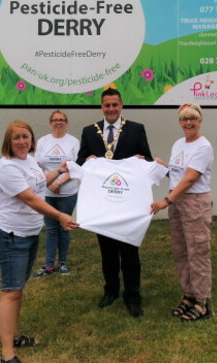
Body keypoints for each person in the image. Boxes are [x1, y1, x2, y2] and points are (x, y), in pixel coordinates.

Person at [0, 120, 78, 363]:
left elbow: (41, 184)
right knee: (10, 292)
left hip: (30, 234)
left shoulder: (29, 161)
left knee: (18, 290)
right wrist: (60, 215)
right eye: (16, 137)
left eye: (26, 137)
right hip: (12, 236)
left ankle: (15, 336)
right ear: (8, 141)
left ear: (32, 140)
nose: (22, 141)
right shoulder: (6, 167)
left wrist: (59, 170)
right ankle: (7, 353)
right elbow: (30, 198)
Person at [76, 88, 153, 318]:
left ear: (121, 106)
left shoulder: (135, 129)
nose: (111, 109)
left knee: (130, 251)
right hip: (104, 204)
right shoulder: (89, 131)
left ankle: (133, 296)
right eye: (107, 105)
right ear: (102, 107)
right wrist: (86, 160)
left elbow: (147, 159)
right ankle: (110, 291)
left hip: (128, 204)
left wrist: (142, 160)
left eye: (115, 105)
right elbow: (80, 160)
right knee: (107, 251)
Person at [150, 103, 214, 322]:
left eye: (192, 119)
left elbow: (190, 179)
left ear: (200, 121)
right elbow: (177, 174)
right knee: (181, 251)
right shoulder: (179, 144)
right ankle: (188, 295)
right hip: (178, 202)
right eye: (184, 119)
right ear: (179, 122)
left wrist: (166, 200)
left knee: (197, 252)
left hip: (194, 203)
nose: (188, 123)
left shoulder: (203, 146)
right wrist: (160, 166)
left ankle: (203, 301)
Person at [32, 111, 80, 277]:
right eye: (55, 120)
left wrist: (59, 182)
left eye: (61, 120)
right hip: (47, 192)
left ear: (66, 122)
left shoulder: (73, 142)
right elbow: (36, 166)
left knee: (64, 228)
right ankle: (48, 265)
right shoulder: (43, 141)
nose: (58, 122)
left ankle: (63, 263)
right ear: (50, 122)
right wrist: (50, 183)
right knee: (51, 229)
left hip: (67, 192)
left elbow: (76, 168)